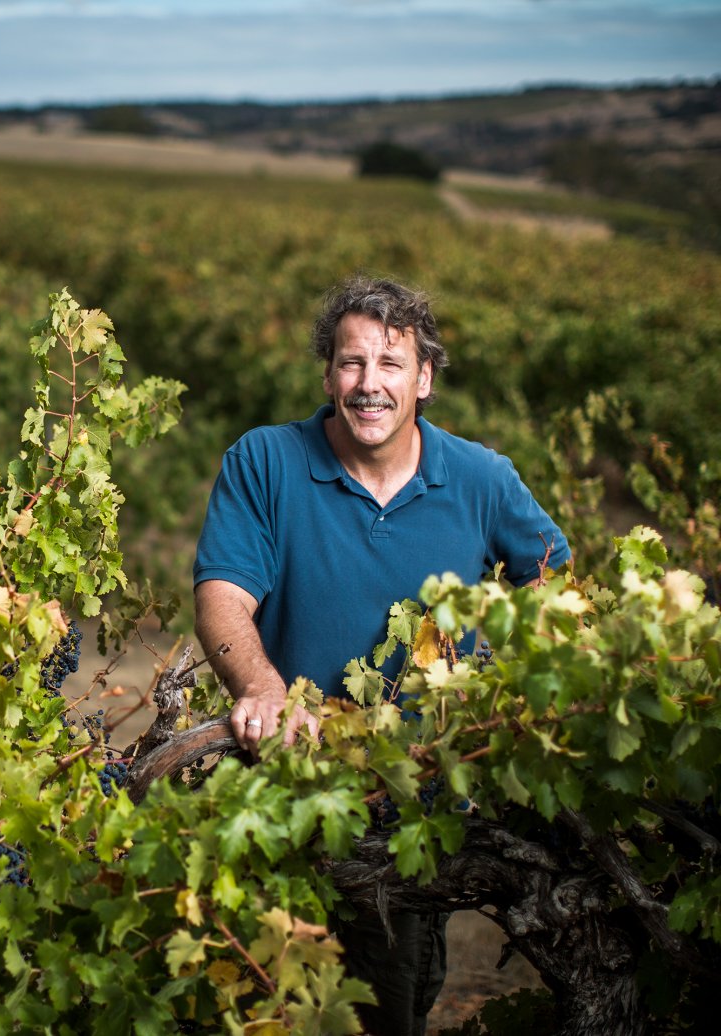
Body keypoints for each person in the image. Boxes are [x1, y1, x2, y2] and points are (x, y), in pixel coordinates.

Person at [193, 276, 570, 1035]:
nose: (370, 386)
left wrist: (504, 699)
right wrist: (262, 687)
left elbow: (560, 593)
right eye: (352, 364)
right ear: (328, 375)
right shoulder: (265, 460)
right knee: (240, 997)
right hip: (279, 780)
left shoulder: (482, 480)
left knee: (376, 1011)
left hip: (408, 816)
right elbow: (224, 594)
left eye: (391, 365)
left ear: (424, 379)